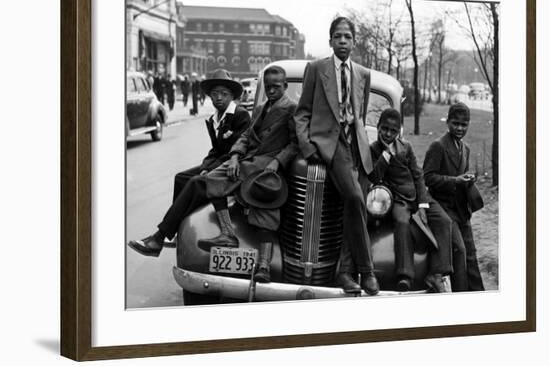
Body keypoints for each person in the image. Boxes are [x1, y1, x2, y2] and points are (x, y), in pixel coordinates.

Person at [129, 66, 298, 285]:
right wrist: (236, 156)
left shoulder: (291, 108)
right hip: (246, 163)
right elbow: (246, 137)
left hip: (265, 168)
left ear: (285, 87)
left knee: (204, 183)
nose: (272, 91)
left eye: (277, 87)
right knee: (203, 181)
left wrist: (276, 162)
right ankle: (178, 236)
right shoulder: (261, 108)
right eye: (268, 87)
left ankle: (160, 237)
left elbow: (295, 144)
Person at [294, 16, 379, 296]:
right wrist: (309, 148)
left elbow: (361, 115)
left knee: (355, 207)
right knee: (355, 198)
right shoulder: (317, 69)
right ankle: (366, 272)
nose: (343, 41)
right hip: (331, 143)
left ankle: (344, 272)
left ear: (354, 41)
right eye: (338, 36)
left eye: (348, 36)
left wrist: (362, 144)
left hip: (357, 147)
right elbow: (302, 113)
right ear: (330, 40)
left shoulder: (363, 74)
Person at [368, 108, 452, 292]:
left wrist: (423, 203)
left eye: (393, 130)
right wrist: (386, 154)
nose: (388, 134)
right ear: (378, 128)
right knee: (401, 221)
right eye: (385, 129)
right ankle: (405, 275)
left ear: (399, 131)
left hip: (418, 197)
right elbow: (374, 177)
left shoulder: (406, 147)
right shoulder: (374, 149)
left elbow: (418, 175)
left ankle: (437, 273)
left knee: (444, 221)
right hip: (398, 199)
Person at [423, 102, 485, 291]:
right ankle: (460, 295)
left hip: (460, 209)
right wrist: (455, 180)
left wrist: (468, 179)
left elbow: (461, 176)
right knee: (459, 250)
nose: (459, 128)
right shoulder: (438, 146)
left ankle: (479, 296)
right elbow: (428, 177)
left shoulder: (464, 149)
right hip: (443, 208)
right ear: (448, 122)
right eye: (455, 123)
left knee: (471, 255)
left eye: (464, 124)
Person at [172, 69, 251, 202]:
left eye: (224, 94)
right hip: (217, 163)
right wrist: (205, 167)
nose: (219, 98)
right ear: (210, 96)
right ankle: (179, 218)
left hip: (231, 166)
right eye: (214, 94)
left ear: (232, 96)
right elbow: (216, 150)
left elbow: (235, 152)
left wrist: (208, 169)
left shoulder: (240, 115)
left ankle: (175, 220)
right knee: (180, 178)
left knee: (195, 182)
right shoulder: (213, 119)